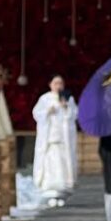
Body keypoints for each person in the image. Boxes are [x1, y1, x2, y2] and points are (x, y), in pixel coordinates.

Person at [31, 75, 78, 207]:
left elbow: (74, 114)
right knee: (51, 166)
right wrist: (47, 111)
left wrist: (66, 108)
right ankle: (50, 193)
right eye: (56, 83)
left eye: (60, 83)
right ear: (50, 84)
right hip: (50, 140)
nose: (58, 86)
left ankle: (62, 192)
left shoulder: (68, 98)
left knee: (63, 165)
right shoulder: (45, 98)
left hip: (64, 140)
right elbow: (37, 113)